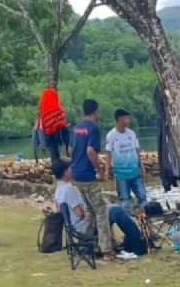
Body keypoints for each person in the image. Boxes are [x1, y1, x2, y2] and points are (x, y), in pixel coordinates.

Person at [52, 160, 144, 259]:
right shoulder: (69, 189)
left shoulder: (58, 190)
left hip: (74, 227)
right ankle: (137, 242)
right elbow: (80, 214)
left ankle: (129, 241)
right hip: (83, 227)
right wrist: (91, 210)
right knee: (116, 210)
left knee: (110, 208)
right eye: (70, 168)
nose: (72, 170)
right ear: (65, 172)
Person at [70, 99, 115, 260]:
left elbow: (70, 150)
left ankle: (85, 244)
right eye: (99, 111)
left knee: (90, 210)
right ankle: (106, 250)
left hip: (76, 175)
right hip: (88, 176)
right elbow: (90, 151)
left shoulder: (76, 129)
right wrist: (100, 170)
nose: (99, 114)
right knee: (101, 211)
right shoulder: (93, 129)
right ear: (95, 111)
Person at [106, 109, 147, 212]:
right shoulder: (111, 135)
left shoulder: (132, 134)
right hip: (121, 175)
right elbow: (108, 154)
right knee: (125, 201)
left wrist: (142, 167)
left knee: (143, 196)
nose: (129, 120)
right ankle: (127, 222)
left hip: (135, 173)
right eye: (126, 118)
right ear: (119, 119)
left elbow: (137, 151)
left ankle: (146, 220)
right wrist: (107, 171)